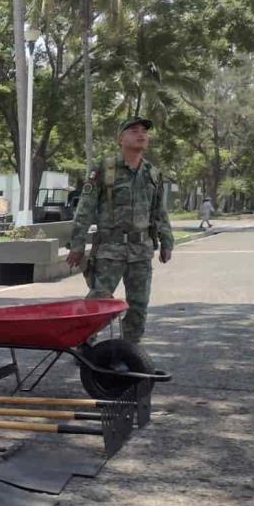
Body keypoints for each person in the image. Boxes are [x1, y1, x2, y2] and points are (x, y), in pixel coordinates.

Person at [67, 117, 174, 344]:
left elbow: (159, 211)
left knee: (138, 305)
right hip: (109, 249)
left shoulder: (153, 174)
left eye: (144, 131)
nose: (141, 134)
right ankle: (84, 344)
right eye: (133, 130)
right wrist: (77, 246)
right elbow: (84, 210)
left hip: (141, 250)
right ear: (120, 138)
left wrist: (167, 241)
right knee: (99, 301)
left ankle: (129, 350)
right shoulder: (104, 170)